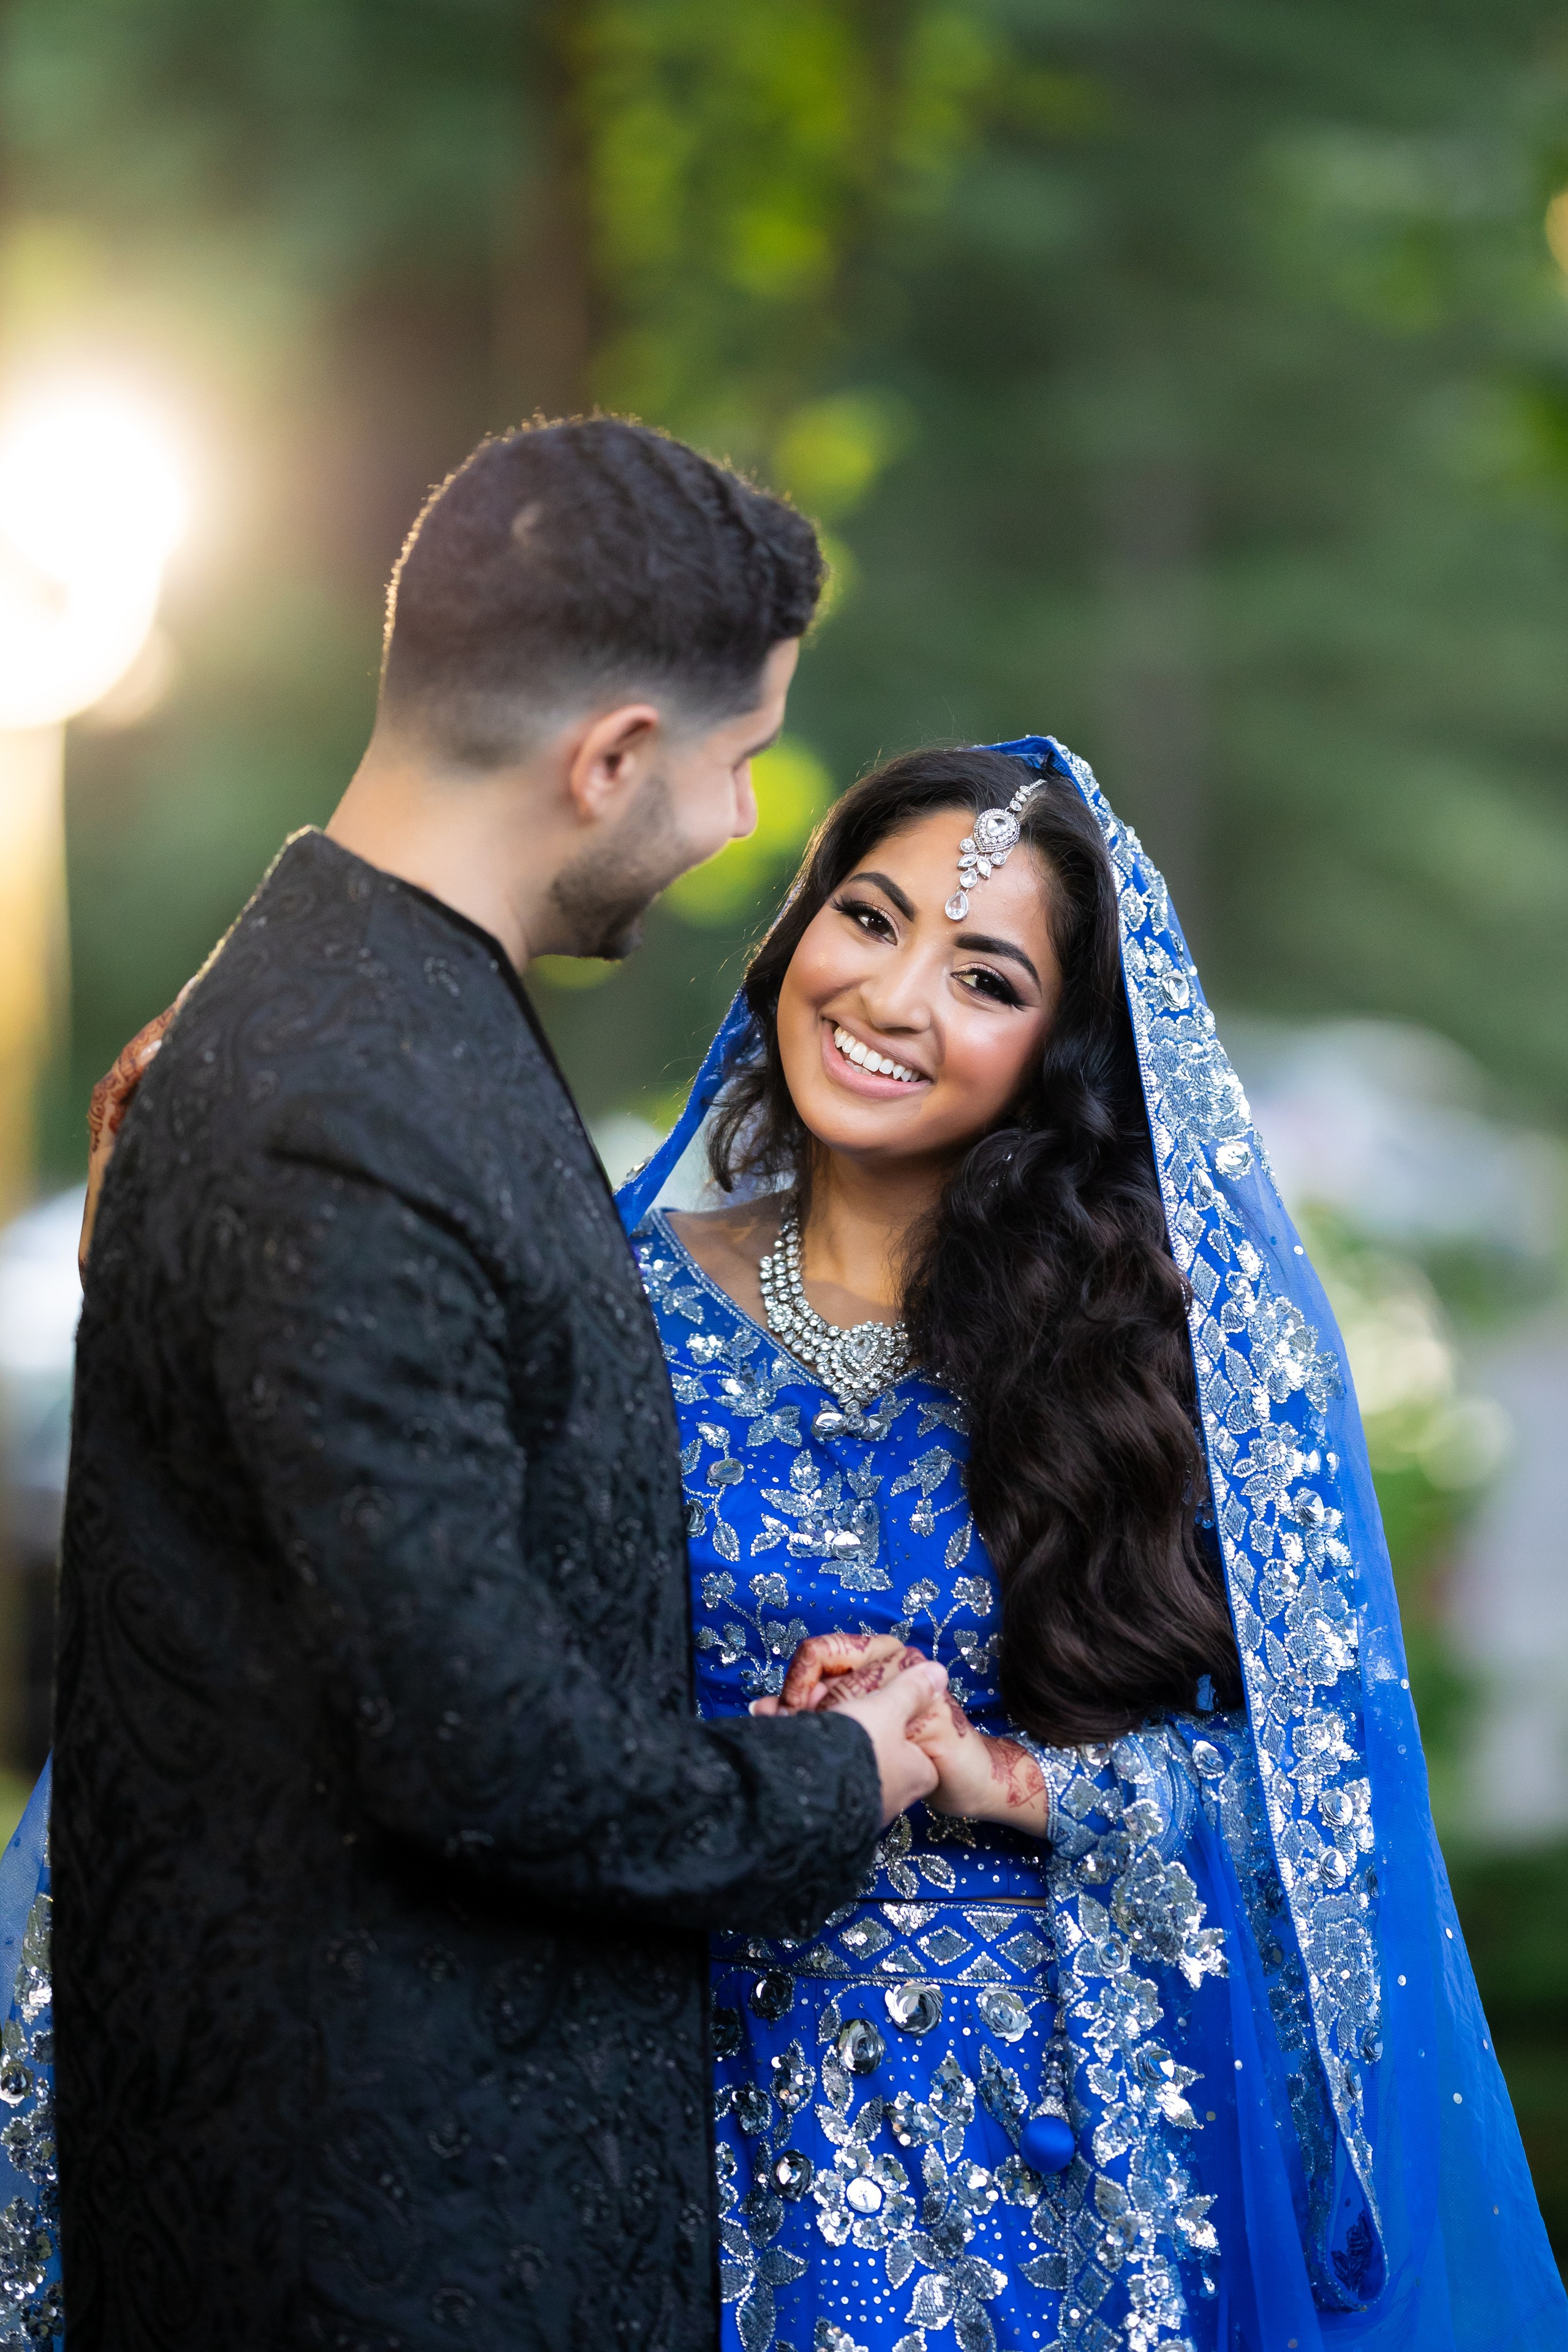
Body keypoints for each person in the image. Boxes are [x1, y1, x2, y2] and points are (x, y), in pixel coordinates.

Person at [34, 417, 949, 2351]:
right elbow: (480, 1745)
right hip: (381, 2241)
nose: (733, 821)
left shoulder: (391, 1012)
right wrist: (838, 1780)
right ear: (610, 756)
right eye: (735, 756)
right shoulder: (344, 1098)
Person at [614, 739, 1568, 2351]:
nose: (897, 997)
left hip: (1035, 2190)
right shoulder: (603, 1303)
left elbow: (1321, 1822)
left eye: (984, 974)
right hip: (651, 2123)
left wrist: (999, 1776)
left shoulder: (1135, 1361)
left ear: (1059, 1045)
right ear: (793, 939)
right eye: (870, 917)